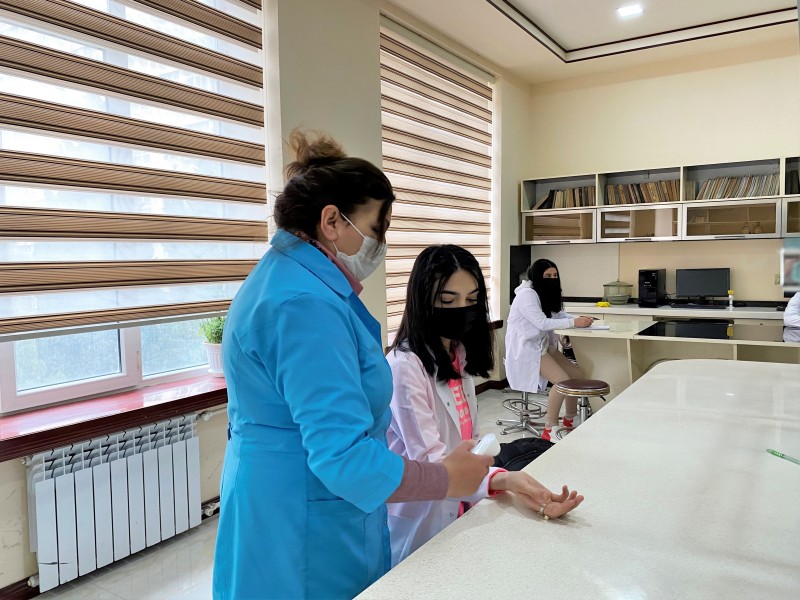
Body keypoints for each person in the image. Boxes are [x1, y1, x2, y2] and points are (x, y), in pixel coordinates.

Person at [212, 131, 493, 600]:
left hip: (283, 494)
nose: (381, 243)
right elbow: (342, 457)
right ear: (331, 221)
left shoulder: (288, 280)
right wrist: (446, 478)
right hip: (300, 514)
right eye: (378, 227)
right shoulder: (305, 305)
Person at [386, 246, 584, 565]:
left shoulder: (458, 356)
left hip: (460, 506)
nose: (461, 310)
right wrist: (501, 479)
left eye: (471, 299)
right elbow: (435, 467)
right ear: (422, 300)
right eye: (447, 301)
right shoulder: (405, 367)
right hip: (424, 517)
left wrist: (510, 480)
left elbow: (471, 449)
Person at [505, 259, 594, 441]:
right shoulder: (527, 295)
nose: (552, 279)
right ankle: (550, 428)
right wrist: (574, 322)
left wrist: (580, 319)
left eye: (555, 275)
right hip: (527, 348)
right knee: (561, 381)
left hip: (541, 344)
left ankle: (570, 419)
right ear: (537, 276)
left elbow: (557, 314)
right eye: (547, 276)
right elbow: (542, 323)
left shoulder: (541, 292)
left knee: (576, 375)